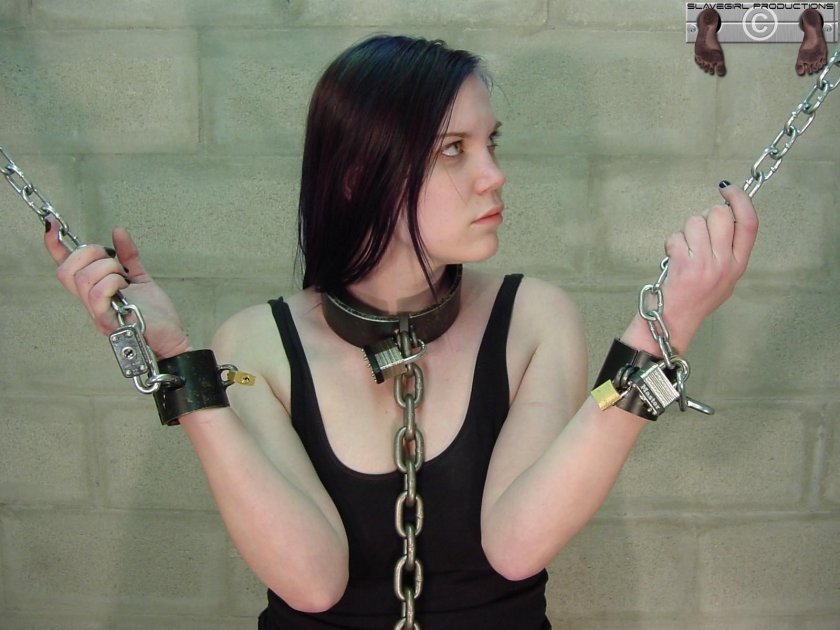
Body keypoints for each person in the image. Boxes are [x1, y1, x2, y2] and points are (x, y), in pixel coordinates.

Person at [43, 35, 758, 629]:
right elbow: (312, 580)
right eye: (453, 150)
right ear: (359, 176)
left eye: (490, 144)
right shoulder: (256, 345)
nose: (494, 175)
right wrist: (180, 365)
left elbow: (517, 545)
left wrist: (660, 335)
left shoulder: (533, 318)